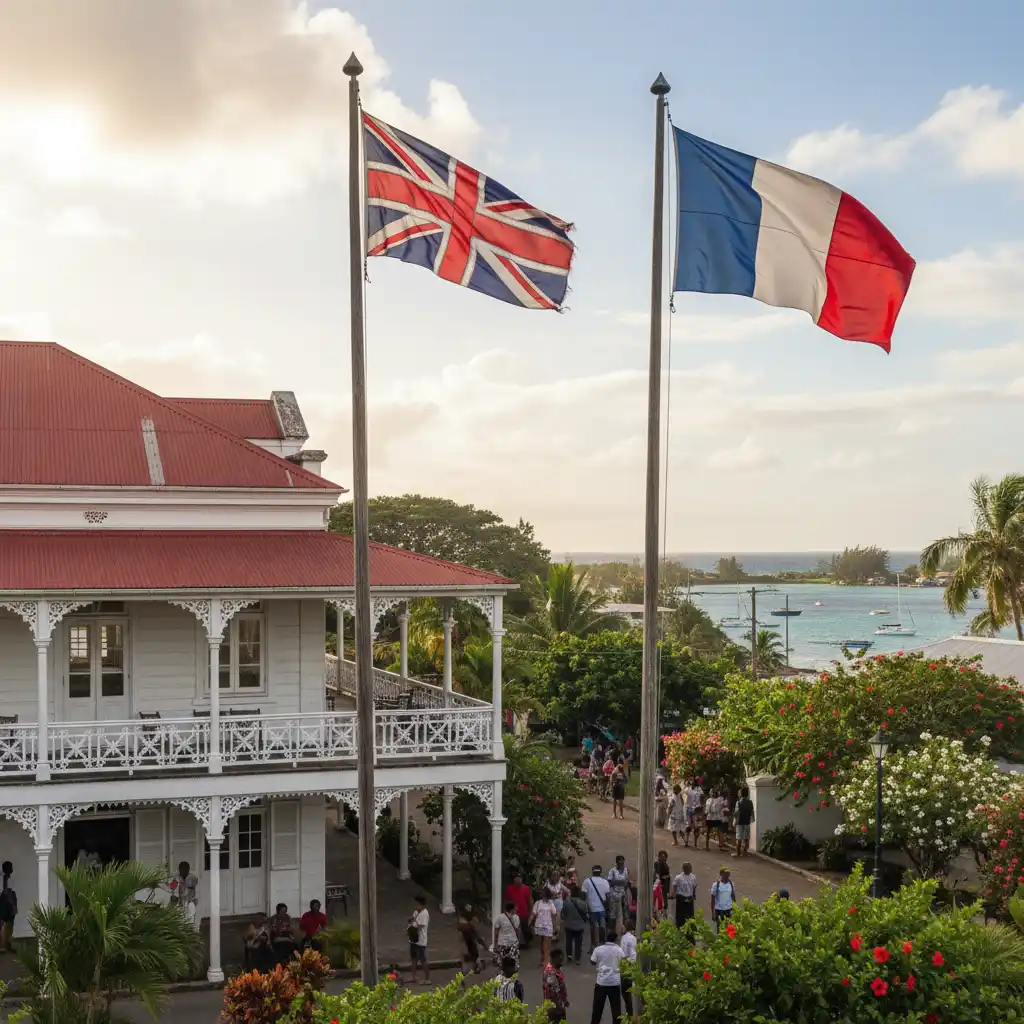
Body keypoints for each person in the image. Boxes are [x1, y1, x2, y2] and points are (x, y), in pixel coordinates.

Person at [589, 928, 624, 1023]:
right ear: (616, 939)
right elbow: (624, 961)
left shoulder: (598, 949)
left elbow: (592, 961)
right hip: (614, 982)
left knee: (597, 1008)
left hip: (601, 982)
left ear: (606, 938)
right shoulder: (619, 950)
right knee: (616, 1009)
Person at [582, 865, 610, 952]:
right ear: (600, 872)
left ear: (592, 871)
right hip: (602, 908)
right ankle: (603, 944)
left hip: (591, 908)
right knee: (602, 926)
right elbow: (607, 896)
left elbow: (583, 895)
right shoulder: (605, 882)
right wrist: (608, 908)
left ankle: (594, 946)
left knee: (593, 927)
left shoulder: (587, 881)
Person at [560, 884, 588, 966]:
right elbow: (586, 914)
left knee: (568, 940)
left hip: (568, 925)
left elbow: (562, 914)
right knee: (578, 942)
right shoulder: (583, 903)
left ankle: (569, 955)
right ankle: (577, 958)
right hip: (579, 926)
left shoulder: (566, 902)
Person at [504, 873, 533, 949]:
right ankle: (515, 944)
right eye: (516, 878)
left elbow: (530, 902)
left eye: (519, 878)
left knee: (525, 929)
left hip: (524, 913)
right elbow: (507, 901)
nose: (518, 880)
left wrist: (530, 914)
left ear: (521, 879)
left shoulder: (526, 889)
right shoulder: (509, 888)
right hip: (513, 913)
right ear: (513, 880)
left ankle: (526, 944)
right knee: (514, 930)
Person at [492, 899, 522, 971]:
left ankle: (503, 974)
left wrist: (495, 944)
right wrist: (519, 940)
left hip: (502, 942)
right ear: (511, 909)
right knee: (513, 959)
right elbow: (518, 930)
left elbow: (496, 931)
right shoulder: (516, 918)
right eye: (515, 907)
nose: (517, 909)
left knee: (502, 961)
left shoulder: (500, 917)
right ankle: (512, 973)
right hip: (513, 942)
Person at [530, 889, 557, 966]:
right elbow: (534, 913)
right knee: (541, 943)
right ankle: (543, 957)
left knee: (546, 942)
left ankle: (546, 960)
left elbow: (554, 913)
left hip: (548, 925)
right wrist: (530, 921)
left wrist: (554, 925)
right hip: (539, 925)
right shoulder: (538, 903)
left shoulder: (551, 903)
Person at [542, 947, 570, 1021]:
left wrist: (565, 1000)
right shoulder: (551, 973)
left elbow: (560, 987)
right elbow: (553, 992)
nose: (562, 962)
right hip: (554, 1007)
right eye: (560, 960)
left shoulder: (556, 968)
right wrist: (559, 1008)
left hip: (557, 1004)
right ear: (553, 959)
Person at [408, 894, 430, 985]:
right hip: (413, 940)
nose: (414, 905)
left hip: (420, 941)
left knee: (423, 960)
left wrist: (413, 924)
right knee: (414, 958)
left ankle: (427, 979)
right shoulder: (416, 912)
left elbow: (419, 927)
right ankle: (413, 975)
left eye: (415, 903)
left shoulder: (424, 914)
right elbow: (412, 920)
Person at [169, 861, 199, 929]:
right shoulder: (177, 877)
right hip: (181, 903)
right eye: (181, 869)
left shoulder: (192, 878)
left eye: (184, 869)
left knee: (190, 922)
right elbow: (172, 887)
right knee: (181, 922)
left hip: (190, 902)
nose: (182, 871)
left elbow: (189, 887)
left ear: (188, 869)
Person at [456, 905, 484, 973]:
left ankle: (467, 972)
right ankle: (474, 968)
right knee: (471, 958)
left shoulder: (462, 923)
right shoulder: (468, 925)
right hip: (469, 944)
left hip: (467, 944)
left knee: (467, 960)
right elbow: (476, 935)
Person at [619, 919, 638, 1019]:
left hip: (627, 965)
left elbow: (624, 953)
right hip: (633, 965)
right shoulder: (634, 938)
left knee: (625, 992)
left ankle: (629, 1014)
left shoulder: (625, 938)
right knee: (629, 991)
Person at [605, 856, 630, 933]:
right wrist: (619, 883)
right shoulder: (612, 871)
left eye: (623, 862)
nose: (621, 864)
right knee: (614, 914)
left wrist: (623, 887)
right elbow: (609, 882)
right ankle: (612, 931)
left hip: (623, 895)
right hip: (615, 896)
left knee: (625, 912)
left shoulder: (626, 870)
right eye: (620, 862)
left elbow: (626, 882)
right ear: (617, 863)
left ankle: (623, 930)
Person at [671, 861, 697, 926]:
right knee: (680, 915)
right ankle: (679, 926)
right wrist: (673, 893)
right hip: (681, 897)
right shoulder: (679, 877)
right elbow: (674, 885)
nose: (690, 869)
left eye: (690, 868)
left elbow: (694, 886)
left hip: (689, 897)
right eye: (688, 868)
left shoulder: (693, 877)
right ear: (684, 869)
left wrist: (694, 894)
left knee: (690, 915)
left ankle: (689, 928)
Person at [711, 868, 737, 932]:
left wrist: (735, 909)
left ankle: (730, 940)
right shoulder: (716, 885)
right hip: (719, 910)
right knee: (720, 929)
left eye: (728, 875)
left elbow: (733, 897)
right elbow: (712, 900)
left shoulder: (731, 884)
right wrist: (713, 913)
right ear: (721, 874)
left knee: (730, 930)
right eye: (725, 874)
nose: (727, 876)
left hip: (729, 909)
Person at [733, 784, 755, 857]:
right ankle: (745, 852)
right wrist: (752, 820)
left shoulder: (738, 802)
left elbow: (736, 813)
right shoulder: (750, 802)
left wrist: (734, 822)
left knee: (739, 838)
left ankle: (738, 852)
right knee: (746, 838)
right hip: (747, 821)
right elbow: (752, 813)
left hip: (740, 822)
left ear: (741, 794)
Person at [684, 778, 705, 848]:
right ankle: (686, 842)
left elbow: (702, 798)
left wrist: (702, 807)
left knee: (696, 827)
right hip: (690, 809)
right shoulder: (688, 789)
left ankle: (695, 843)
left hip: (697, 810)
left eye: (693, 782)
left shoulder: (699, 789)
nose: (692, 783)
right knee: (688, 826)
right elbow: (685, 791)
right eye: (691, 782)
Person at [0, 862, 16, 953]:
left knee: (3, 923)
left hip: (3, 901)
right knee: (8, 923)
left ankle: (5, 945)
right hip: (7, 903)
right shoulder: (7, 879)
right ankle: (5, 945)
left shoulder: (3, 877)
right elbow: (7, 893)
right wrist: (13, 906)